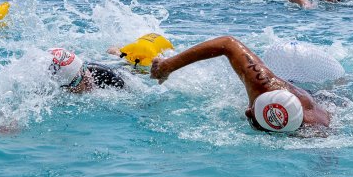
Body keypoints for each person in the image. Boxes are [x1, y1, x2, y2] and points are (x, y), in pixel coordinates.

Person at [150, 36, 331, 133]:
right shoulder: (263, 84)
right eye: (252, 106)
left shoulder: (317, 128)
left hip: (313, 92)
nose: (246, 111)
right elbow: (227, 43)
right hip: (289, 79)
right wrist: (168, 65)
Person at [48, 48, 126, 93]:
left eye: (83, 69)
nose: (87, 78)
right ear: (66, 88)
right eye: (78, 79)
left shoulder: (109, 78)